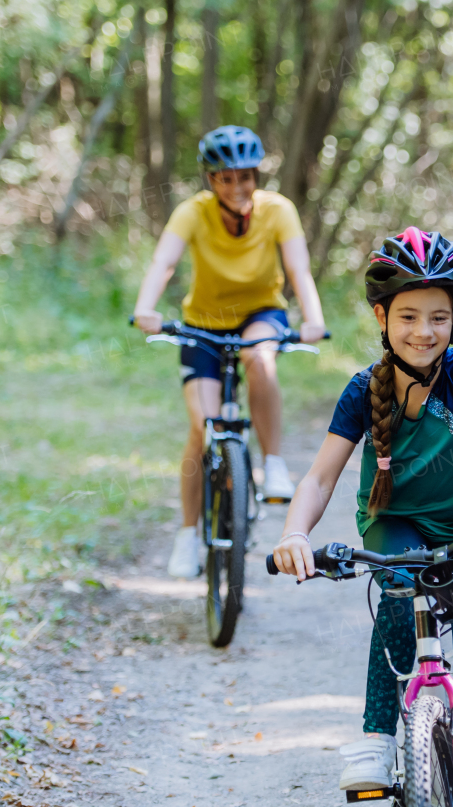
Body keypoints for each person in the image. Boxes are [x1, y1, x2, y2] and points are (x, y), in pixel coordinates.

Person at [271, 228, 453, 807]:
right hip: (394, 524)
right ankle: (378, 737)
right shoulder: (362, 390)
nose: (422, 331)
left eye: (437, 317)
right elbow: (321, 478)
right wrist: (296, 533)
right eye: (407, 315)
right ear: (381, 316)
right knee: (398, 606)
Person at [133, 126, 326, 578]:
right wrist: (146, 307)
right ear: (210, 179)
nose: (236, 187)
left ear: (256, 175)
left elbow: (298, 270)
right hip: (202, 322)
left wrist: (312, 319)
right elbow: (164, 262)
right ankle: (186, 536)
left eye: (244, 177)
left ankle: (273, 464)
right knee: (202, 430)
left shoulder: (278, 211)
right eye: (225, 178)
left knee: (260, 356)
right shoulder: (192, 213)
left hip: (261, 312)